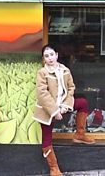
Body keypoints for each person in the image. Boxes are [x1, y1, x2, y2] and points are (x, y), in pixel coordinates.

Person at [33, 44, 75, 176]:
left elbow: (71, 88)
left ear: (56, 55)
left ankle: (79, 134)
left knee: (83, 103)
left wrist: (65, 105)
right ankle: (54, 168)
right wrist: (55, 111)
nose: (50, 58)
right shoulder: (42, 72)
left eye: (52, 55)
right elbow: (42, 94)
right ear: (43, 58)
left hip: (63, 106)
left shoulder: (65, 70)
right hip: (47, 111)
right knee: (46, 139)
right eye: (46, 56)